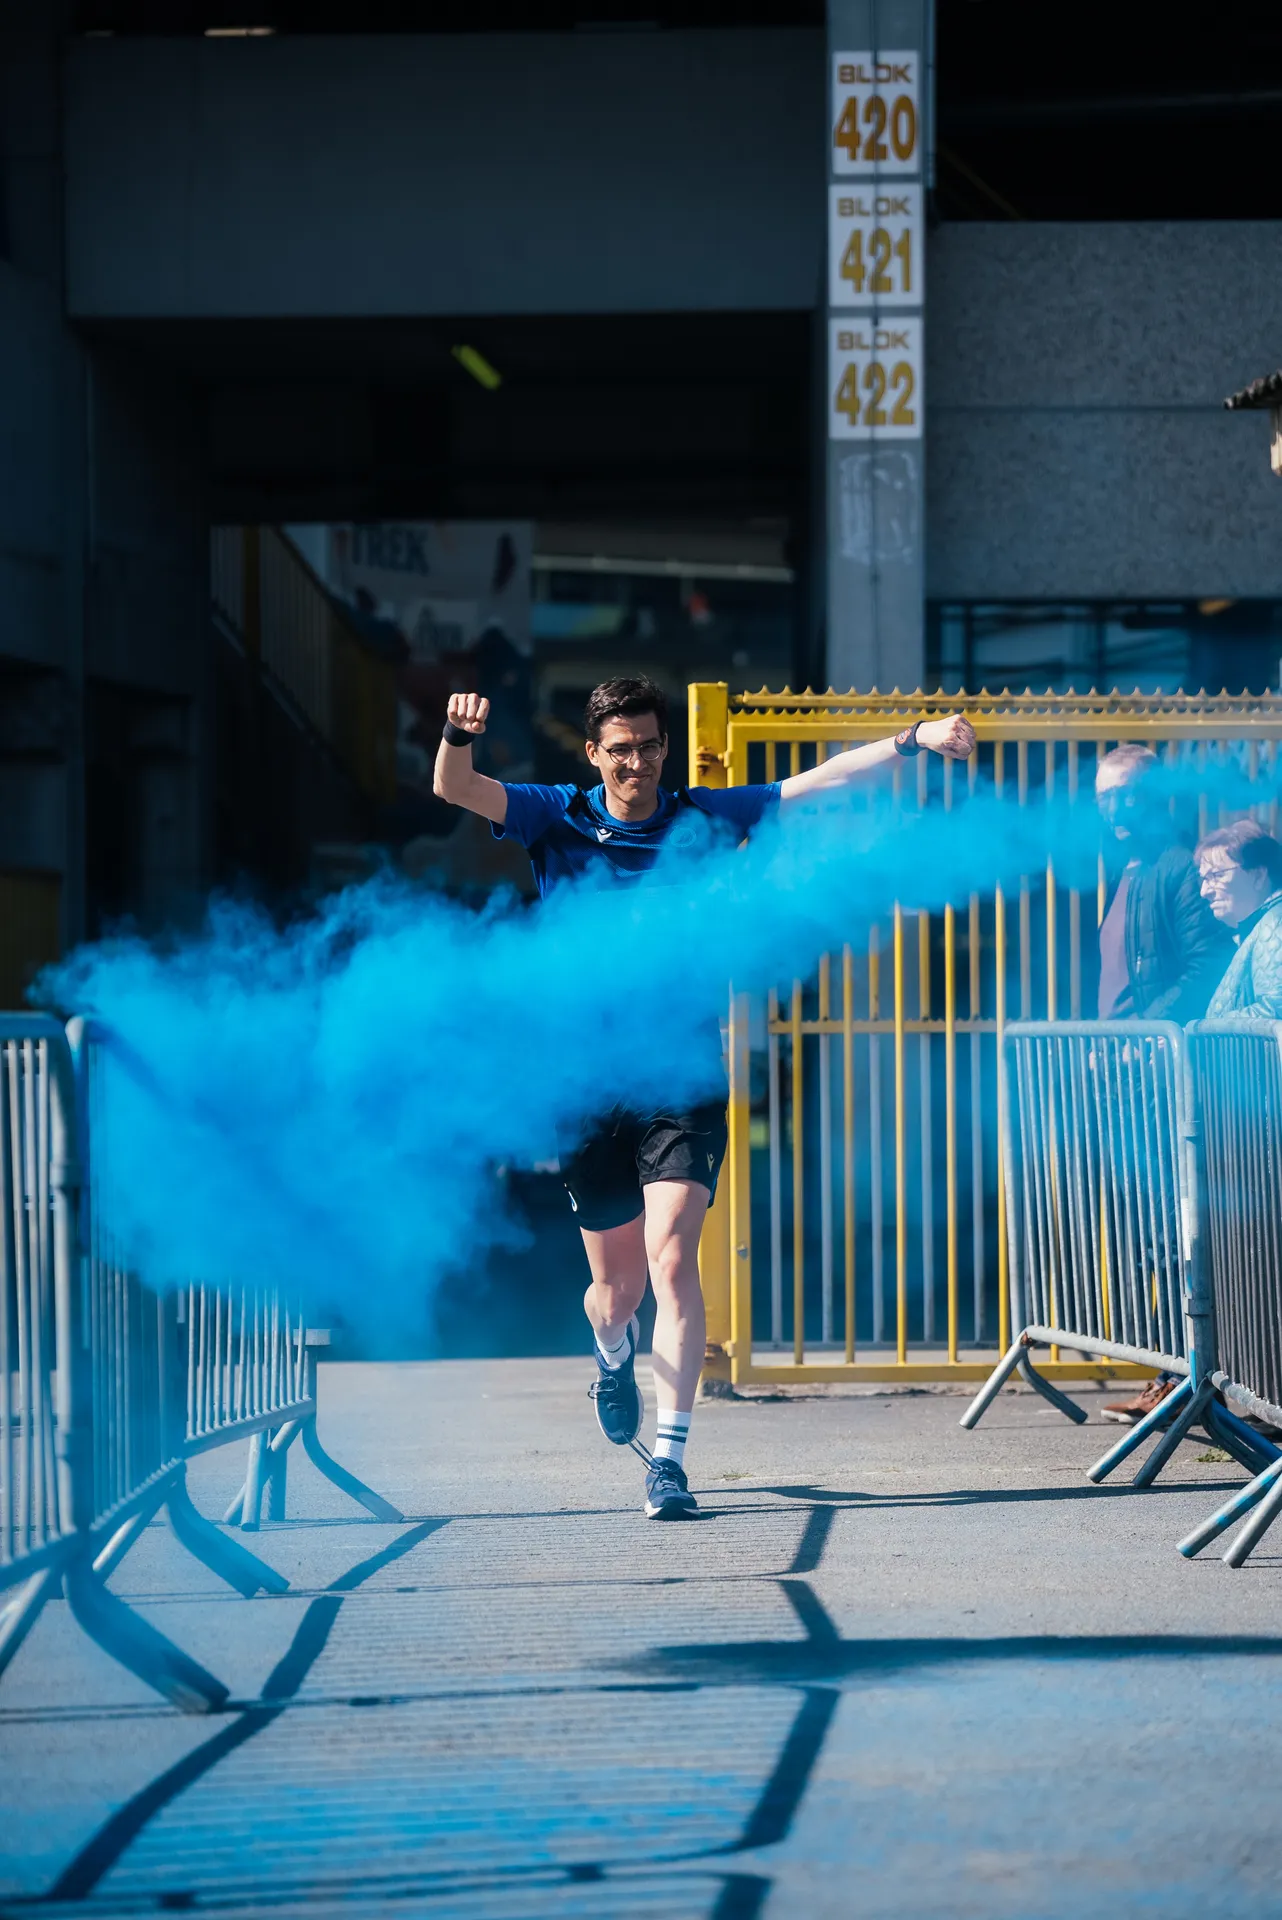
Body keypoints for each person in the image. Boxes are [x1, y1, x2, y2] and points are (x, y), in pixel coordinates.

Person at [434, 676, 975, 1517]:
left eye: (649, 746)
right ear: (594, 754)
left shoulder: (705, 818)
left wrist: (914, 737)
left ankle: (670, 1461)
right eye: (621, 749)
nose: (637, 762)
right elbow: (454, 788)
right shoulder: (555, 816)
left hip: (682, 1077)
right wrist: (458, 735)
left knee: (673, 1256)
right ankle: (611, 1358)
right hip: (589, 1086)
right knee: (616, 1293)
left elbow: (817, 782)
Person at [1095, 744, 1236, 1424]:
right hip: (1131, 1079)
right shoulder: (1131, 870)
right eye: (1104, 797)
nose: (1115, 809)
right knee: (1145, 1227)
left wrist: (1144, 1035)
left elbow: (1206, 966)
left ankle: (1180, 1374)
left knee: (1169, 1230)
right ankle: (1168, 1370)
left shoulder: (1176, 868)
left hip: (1160, 1076)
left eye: (1127, 795)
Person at [1196, 821, 1282, 1016]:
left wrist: (1198, 1035)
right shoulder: (1260, 929)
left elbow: (1276, 1009)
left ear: (1258, 876)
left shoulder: (1275, 923)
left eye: (1216, 875)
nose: (1204, 891)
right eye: (1203, 879)